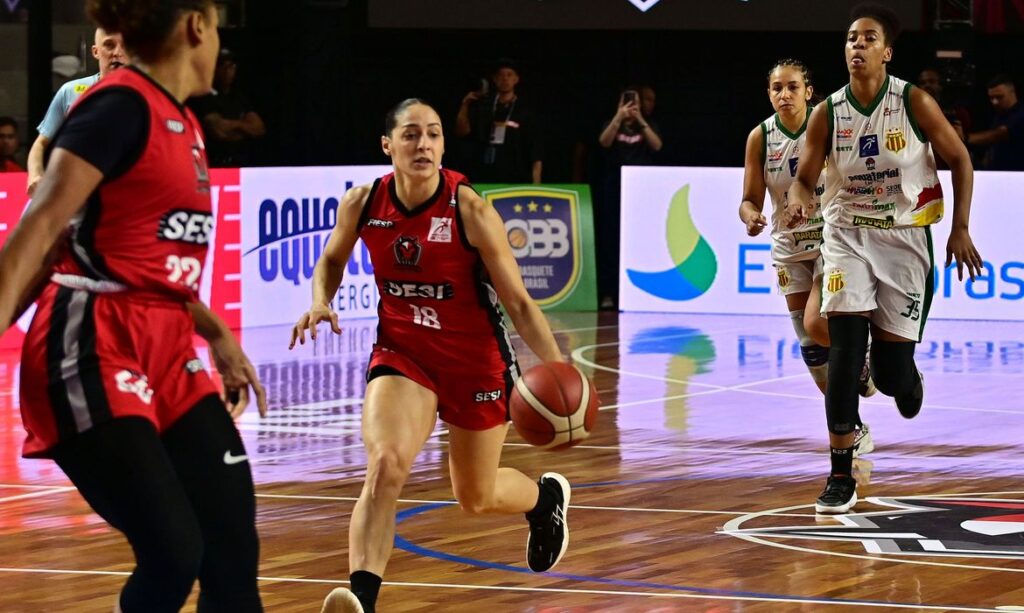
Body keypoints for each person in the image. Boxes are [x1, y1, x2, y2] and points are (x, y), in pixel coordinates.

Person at [0, 1, 267, 610]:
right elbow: (37, 236)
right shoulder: (118, 108)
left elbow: (148, 265)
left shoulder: (185, 120)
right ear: (197, 26)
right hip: (90, 344)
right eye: (217, 26)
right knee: (174, 552)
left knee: (231, 545)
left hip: (167, 344)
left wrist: (217, 333)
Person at [292, 99, 572, 613]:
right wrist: (319, 300)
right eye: (411, 134)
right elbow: (331, 259)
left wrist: (558, 368)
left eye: (434, 134)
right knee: (385, 463)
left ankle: (543, 501)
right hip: (404, 353)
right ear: (387, 145)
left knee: (475, 497)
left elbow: (517, 302)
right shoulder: (363, 202)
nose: (423, 144)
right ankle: (362, 599)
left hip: (475, 361)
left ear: (443, 145)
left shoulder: (470, 209)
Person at [788, 3, 982, 514]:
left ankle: (903, 376)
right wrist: (800, 198)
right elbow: (804, 178)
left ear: (887, 52)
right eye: (852, 37)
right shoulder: (827, 112)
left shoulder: (913, 102)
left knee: (893, 378)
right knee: (844, 350)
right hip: (847, 235)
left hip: (904, 237)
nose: (857, 45)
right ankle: (840, 473)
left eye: (869, 38)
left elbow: (960, 159)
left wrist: (960, 227)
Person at [738, 59, 876, 459]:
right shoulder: (760, 137)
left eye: (792, 87)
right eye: (777, 88)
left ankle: (863, 356)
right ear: (769, 94)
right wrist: (751, 217)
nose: (784, 94)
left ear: (808, 91)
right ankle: (851, 424)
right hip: (788, 246)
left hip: (830, 238)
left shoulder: (826, 124)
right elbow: (749, 199)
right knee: (811, 349)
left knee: (817, 322)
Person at [26, 27, 126, 195]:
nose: (117, 53)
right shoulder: (70, 91)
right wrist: (35, 175)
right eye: (109, 45)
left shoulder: (147, 94)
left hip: (126, 192)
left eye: (125, 45)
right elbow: (41, 143)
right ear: (95, 51)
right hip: (76, 193)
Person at [596, 85, 663, 309]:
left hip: (641, 190)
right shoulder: (612, 123)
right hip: (614, 186)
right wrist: (619, 116)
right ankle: (608, 293)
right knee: (611, 240)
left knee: (639, 239)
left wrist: (639, 119)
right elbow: (604, 141)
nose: (631, 106)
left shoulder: (647, 124)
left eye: (635, 102)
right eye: (626, 101)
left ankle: (637, 293)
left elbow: (657, 145)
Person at [455, 59, 544, 183]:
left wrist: (536, 183)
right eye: (501, 75)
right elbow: (462, 132)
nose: (505, 79)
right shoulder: (484, 106)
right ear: (495, 79)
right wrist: (465, 104)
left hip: (516, 177)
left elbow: (535, 151)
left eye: (509, 75)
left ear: (516, 79)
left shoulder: (525, 110)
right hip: (484, 176)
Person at [187, 48, 266, 167]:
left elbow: (259, 129)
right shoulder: (205, 96)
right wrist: (243, 126)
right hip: (215, 163)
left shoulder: (239, 97)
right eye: (223, 66)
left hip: (241, 163)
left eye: (231, 66)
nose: (227, 71)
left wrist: (233, 126)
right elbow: (219, 131)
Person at [961, 74, 1024, 170]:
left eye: (999, 97)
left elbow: (1000, 134)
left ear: (1012, 93)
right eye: (991, 98)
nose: (994, 102)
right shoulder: (999, 115)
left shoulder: (1021, 114)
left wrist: (965, 138)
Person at [917, 67, 974, 170]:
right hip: (922, 167)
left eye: (931, 81)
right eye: (923, 82)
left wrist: (961, 138)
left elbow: (969, 148)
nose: (927, 85)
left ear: (940, 85)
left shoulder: (958, 112)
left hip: (949, 167)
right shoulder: (911, 112)